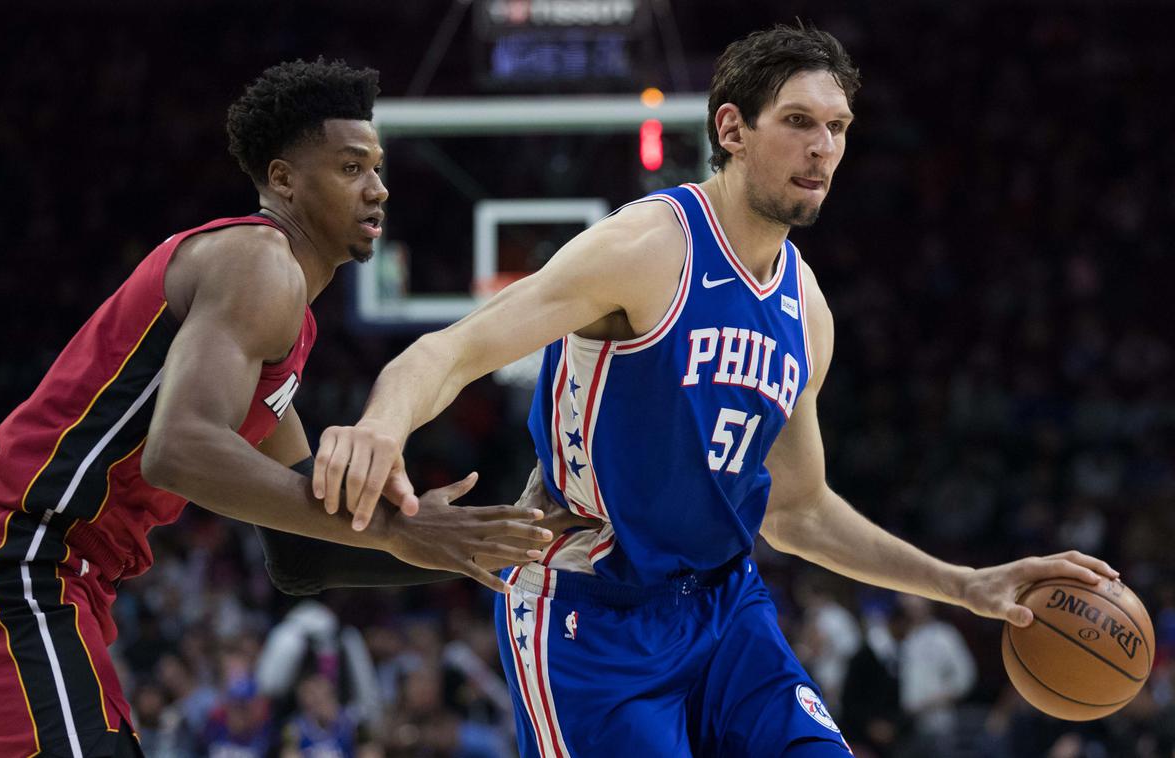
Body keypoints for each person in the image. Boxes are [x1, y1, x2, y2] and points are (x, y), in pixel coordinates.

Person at [315, 25, 1118, 757]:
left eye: (837, 128)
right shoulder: (646, 247)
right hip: (593, 609)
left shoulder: (808, 312)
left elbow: (798, 510)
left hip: (726, 609)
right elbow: (452, 350)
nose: (823, 148)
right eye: (799, 122)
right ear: (731, 129)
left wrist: (963, 585)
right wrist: (382, 424)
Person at [0, 58, 564, 757]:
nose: (377, 189)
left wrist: (451, 540)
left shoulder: (288, 322)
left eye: (377, 168)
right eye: (351, 168)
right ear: (283, 179)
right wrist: (390, 532)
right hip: (21, 558)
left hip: (63, 578)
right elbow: (181, 449)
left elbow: (297, 553)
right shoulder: (259, 262)